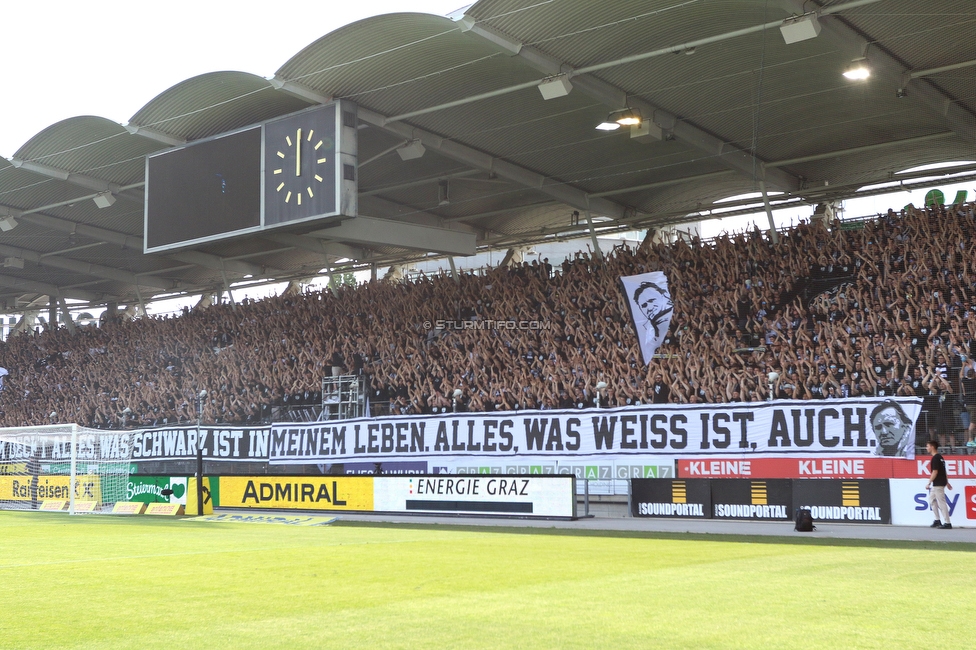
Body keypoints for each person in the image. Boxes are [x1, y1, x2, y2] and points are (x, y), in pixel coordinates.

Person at [925, 440, 952, 529]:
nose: (927, 448)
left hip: (938, 483)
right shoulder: (940, 457)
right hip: (940, 482)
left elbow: (935, 472)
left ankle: (947, 522)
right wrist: (947, 482)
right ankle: (937, 520)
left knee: (941, 502)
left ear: (932, 447)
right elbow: (944, 471)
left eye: (928, 446)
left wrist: (929, 482)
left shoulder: (935, 458)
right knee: (932, 499)